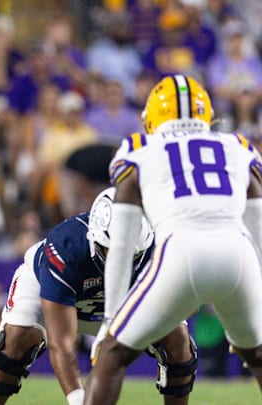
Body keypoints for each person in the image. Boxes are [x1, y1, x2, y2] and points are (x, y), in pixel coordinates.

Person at [84, 75, 262, 404]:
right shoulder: (239, 146)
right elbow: (258, 230)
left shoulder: (138, 149)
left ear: (153, 116)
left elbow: (122, 244)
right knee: (259, 355)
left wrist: (111, 319)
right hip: (239, 255)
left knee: (112, 353)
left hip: (181, 252)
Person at [0, 187, 197, 405]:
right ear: (95, 239)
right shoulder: (67, 247)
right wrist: (78, 399)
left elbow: (186, 303)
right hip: (55, 295)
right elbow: (61, 344)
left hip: (119, 303)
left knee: (178, 339)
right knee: (16, 342)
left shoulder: (162, 245)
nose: (121, 262)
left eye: (131, 253)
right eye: (113, 251)